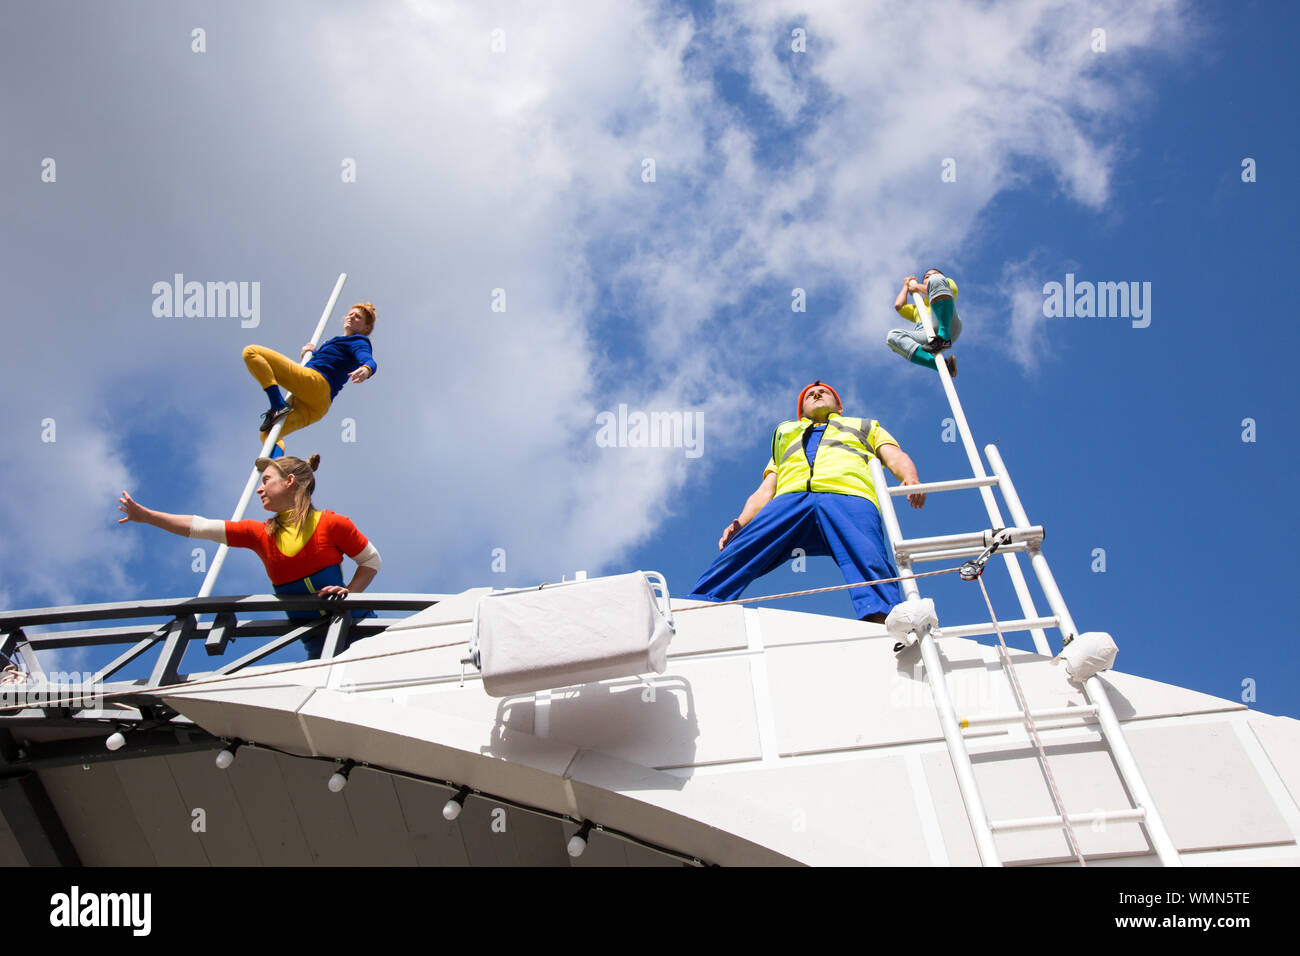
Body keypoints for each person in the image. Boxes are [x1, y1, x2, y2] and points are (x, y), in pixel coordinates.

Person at [686, 381, 926, 623]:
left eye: (823, 392)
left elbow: (894, 455)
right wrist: (740, 522)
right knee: (740, 549)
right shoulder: (786, 437)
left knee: (868, 555)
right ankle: (699, 607)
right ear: (801, 412)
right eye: (810, 394)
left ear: (839, 407)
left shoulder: (865, 426)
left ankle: (883, 618)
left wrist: (910, 477)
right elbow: (765, 490)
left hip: (848, 496)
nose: (817, 393)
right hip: (790, 500)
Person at [117, 454, 382, 659]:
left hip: (363, 628)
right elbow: (201, 526)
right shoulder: (260, 534)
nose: (259, 488)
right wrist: (147, 517)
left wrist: (349, 592)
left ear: (289, 481)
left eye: (266, 479)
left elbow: (371, 561)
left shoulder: (332, 523)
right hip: (319, 645)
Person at [242, 302, 379, 451]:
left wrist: (366, 369)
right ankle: (278, 468)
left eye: (358, 317)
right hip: (318, 406)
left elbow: (368, 360)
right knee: (269, 435)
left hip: (317, 383)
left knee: (251, 352)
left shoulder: (358, 341)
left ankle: (277, 405)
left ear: (366, 328)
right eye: (350, 314)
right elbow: (329, 362)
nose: (351, 317)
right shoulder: (336, 342)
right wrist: (308, 356)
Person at [886, 270, 959, 377]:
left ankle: (943, 337)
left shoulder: (945, 282)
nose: (930, 276)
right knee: (893, 336)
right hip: (925, 332)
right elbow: (899, 306)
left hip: (947, 322)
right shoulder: (918, 307)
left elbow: (934, 288)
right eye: (926, 277)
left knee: (935, 281)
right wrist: (906, 286)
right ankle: (943, 366)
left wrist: (916, 287)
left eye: (934, 273)